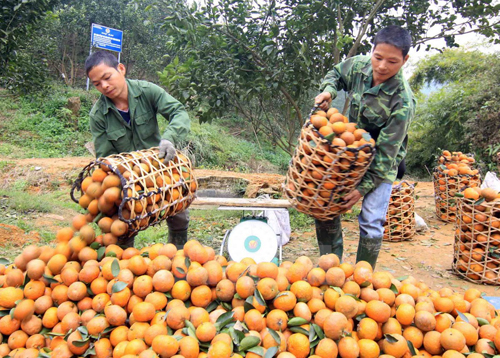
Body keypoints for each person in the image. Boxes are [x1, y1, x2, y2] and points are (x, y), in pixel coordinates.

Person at [314, 26, 416, 268]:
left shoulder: (402, 101)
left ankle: (362, 278)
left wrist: (361, 189)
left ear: (405, 60)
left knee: (371, 220)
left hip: (383, 163)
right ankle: (331, 268)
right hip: (348, 154)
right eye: (378, 57)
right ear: (372, 51)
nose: (382, 66)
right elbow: (336, 73)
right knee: (326, 207)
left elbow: (386, 156)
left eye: (392, 61)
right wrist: (329, 90)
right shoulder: (359, 66)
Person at [85, 50, 191, 249]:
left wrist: (169, 139)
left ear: (121, 69)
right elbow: (106, 157)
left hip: (159, 169)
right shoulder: (98, 115)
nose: (104, 86)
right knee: (121, 225)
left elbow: (178, 111)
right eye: (97, 84)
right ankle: (124, 264)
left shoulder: (147, 91)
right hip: (127, 179)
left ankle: (178, 256)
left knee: (179, 212)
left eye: (107, 77)